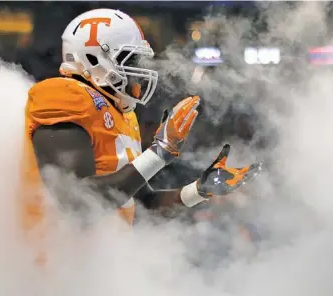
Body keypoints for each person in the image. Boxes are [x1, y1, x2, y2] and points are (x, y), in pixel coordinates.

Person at [20, 8, 262, 241]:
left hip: (95, 267)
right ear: (94, 57)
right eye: (130, 58)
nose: (136, 69)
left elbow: (142, 201)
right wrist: (160, 152)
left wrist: (199, 190)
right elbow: (78, 203)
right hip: (52, 269)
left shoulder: (121, 114)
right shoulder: (64, 96)